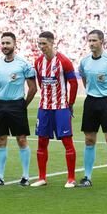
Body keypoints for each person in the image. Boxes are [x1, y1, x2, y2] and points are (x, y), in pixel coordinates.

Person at [77, 29, 107, 189]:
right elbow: (84, 80)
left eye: (94, 40)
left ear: (101, 41)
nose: (91, 43)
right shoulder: (84, 62)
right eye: (89, 40)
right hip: (91, 102)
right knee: (89, 139)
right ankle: (87, 177)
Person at [31, 31, 78, 188]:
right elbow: (40, 82)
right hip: (44, 108)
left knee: (67, 141)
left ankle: (71, 178)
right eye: (39, 44)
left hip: (61, 108)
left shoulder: (64, 61)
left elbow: (73, 83)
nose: (41, 47)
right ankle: (42, 177)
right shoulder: (38, 62)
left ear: (52, 43)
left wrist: (69, 103)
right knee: (42, 142)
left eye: (44, 43)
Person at [0, 32, 37, 186]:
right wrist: (2, 96)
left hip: (17, 105)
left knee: (21, 139)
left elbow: (33, 88)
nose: (5, 46)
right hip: (1, 105)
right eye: (3, 43)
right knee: (0, 140)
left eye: (8, 43)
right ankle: (0, 176)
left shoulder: (23, 64)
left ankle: (25, 176)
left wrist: (23, 104)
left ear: (15, 44)